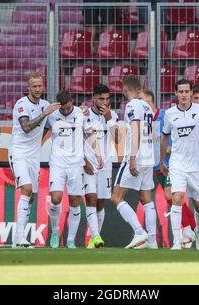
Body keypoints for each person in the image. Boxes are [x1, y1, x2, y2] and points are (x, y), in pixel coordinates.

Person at [160, 79, 199, 250]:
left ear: (191, 93)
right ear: (176, 94)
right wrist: (161, 160)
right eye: (181, 92)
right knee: (176, 197)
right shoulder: (170, 114)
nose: (184, 95)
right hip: (178, 163)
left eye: (187, 91)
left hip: (198, 165)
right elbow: (164, 137)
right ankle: (176, 241)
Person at [139, 88, 196, 249]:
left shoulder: (165, 114)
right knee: (171, 198)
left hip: (173, 162)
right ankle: (192, 227)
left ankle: (188, 229)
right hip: (157, 164)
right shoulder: (142, 120)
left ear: (150, 100)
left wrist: (170, 148)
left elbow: (172, 133)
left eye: (142, 99)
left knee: (171, 194)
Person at [45, 90, 102, 249]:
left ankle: (70, 240)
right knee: (56, 198)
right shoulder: (52, 115)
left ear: (72, 102)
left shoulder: (80, 113)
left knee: (75, 201)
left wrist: (97, 155)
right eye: (62, 109)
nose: (65, 111)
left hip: (76, 164)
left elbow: (90, 134)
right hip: (57, 163)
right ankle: (55, 232)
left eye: (68, 108)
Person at [9, 72, 60, 248]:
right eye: (34, 86)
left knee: (30, 197)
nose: (38, 89)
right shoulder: (21, 104)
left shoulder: (45, 104)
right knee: (27, 189)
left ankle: (18, 239)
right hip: (19, 153)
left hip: (34, 156)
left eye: (40, 86)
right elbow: (27, 128)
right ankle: (19, 237)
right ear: (28, 87)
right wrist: (44, 113)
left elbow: (49, 125)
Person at [110, 75, 155, 249]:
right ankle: (152, 241)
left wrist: (133, 157)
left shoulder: (132, 105)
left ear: (125, 89)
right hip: (148, 157)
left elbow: (135, 130)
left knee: (116, 197)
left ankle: (139, 231)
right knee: (146, 198)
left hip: (135, 156)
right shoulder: (147, 107)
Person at [83, 84, 120, 249]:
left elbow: (118, 139)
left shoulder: (113, 116)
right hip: (88, 164)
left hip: (105, 165)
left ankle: (93, 237)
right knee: (90, 199)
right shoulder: (83, 114)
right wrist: (84, 161)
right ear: (93, 98)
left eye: (107, 99)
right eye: (101, 99)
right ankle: (97, 237)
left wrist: (109, 119)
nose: (104, 102)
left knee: (100, 203)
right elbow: (75, 141)